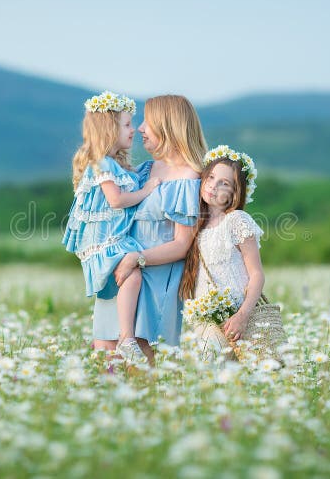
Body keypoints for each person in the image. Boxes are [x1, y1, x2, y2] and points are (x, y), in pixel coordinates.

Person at [104, 95, 208, 363]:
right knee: (111, 357)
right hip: (126, 274)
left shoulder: (189, 177)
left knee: (144, 361)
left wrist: (136, 259)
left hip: (157, 278)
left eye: (147, 123)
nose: (140, 129)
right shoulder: (144, 170)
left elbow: (181, 245)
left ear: (167, 125)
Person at [62, 91, 161, 362]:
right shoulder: (103, 163)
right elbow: (116, 200)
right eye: (127, 125)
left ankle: (123, 337)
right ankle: (127, 337)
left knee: (129, 279)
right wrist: (147, 190)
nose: (133, 130)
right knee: (134, 275)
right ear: (109, 129)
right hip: (107, 239)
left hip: (109, 237)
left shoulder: (111, 164)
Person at [179, 145, 265, 361]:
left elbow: (257, 274)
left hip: (236, 317)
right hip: (205, 319)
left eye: (224, 183)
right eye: (211, 178)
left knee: (232, 375)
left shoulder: (236, 221)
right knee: (211, 370)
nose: (213, 186)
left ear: (234, 193)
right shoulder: (195, 225)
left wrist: (242, 315)